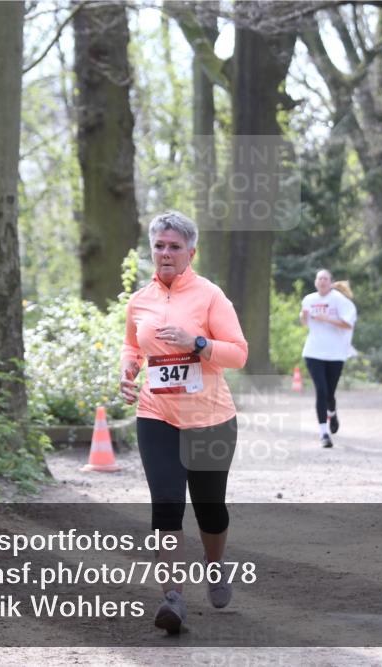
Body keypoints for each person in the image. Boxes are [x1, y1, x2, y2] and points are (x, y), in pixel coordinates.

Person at [119, 211, 248, 634]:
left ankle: (215, 564)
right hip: (156, 415)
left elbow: (238, 353)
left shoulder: (210, 296)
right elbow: (131, 346)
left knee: (210, 509)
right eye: (159, 246)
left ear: (191, 252)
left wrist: (198, 343)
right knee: (166, 503)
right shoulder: (140, 300)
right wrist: (128, 370)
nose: (166, 253)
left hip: (210, 419)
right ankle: (172, 597)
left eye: (175, 246)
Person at [299, 269, 357, 448]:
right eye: (319, 278)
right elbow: (305, 323)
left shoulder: (339, 300)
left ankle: (332, 411)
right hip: (313, 352)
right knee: (321, 391)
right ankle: (323, 433)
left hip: (335, 353)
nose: (322, 281)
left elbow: (348, 324)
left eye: (325, 278)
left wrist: (327, 319)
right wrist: (303, 317)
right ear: (315, 282)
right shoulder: (309, 299)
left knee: (330, 393)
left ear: (330, 282)